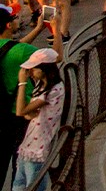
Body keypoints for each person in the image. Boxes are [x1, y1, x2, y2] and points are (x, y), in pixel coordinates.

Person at [0, 7, 55, 175]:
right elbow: (56, 56)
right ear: (9, 25)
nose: (17, 19)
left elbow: (14, 47)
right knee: (22, 163)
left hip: (3, 113)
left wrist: (38, 29)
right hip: (23, 111)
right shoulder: (20, 52)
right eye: (15, 17)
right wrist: (56, 28)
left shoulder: (12, 49)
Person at [12, 46, 64, 190]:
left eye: (33, 69)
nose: (30, 73)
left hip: (37, 151)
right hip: (28, 147)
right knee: (18, 186)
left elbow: (20, 111)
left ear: (45, 69)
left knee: (32, 186)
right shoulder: (43, 86)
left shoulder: (51, 91)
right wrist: (27, 112)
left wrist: (22, 83)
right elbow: (27, 113)